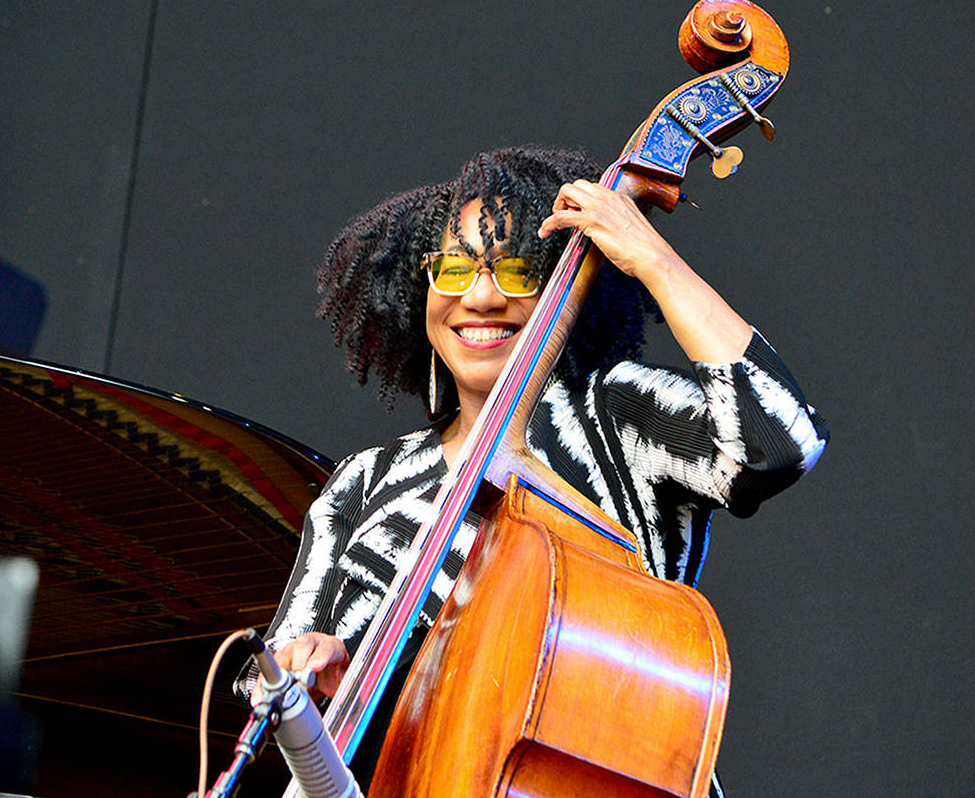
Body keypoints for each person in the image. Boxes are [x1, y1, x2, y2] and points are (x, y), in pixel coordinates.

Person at [239, 146, 828, 789]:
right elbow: (269, 677)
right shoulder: (365, 482)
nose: (481, 296)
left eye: (517, 272)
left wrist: (652, 258)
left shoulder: (616, 418)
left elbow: (780, 442)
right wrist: (303, 673)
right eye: (454, 270)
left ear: (558, 287)